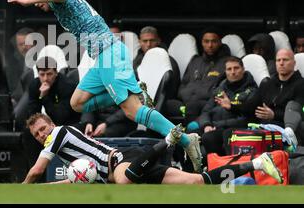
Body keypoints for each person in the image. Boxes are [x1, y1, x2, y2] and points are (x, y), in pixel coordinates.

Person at [8, 0, 203, 172]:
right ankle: (137, 92)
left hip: (110, 53)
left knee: (132, 111)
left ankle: (187, 140)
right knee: (77, 103)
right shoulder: (59, 2)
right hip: (101, 60)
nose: (34, 2)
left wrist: (27, 0)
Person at [22, 113, 283, 185]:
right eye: (36, 134)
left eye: (42, 129)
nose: (41, 135)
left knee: (122, 181)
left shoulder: (58, 133)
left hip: (123, 160)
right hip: (137, 166)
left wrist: (20, 191)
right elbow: (68, 183)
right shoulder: (69, 152)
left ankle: (166, 142)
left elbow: (36, 170)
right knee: (197, 183)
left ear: (51, 125)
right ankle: (259, 163)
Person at [190, 57, 258, 157]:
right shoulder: (220, 89)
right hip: (212, 126)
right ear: (225, 71)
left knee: (209, 138)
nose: (233, 72)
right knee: (185, 138)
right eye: (229, 69)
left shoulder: (252, 91)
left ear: (243, 69)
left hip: (232, 129)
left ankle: (216, 169)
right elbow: (205, 111)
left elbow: (247, 119)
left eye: (236, 68)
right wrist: (206, 125)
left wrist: (217, 125)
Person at [165, 27, 230, 123]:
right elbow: (184, 84)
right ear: (202, 43)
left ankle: (190, 136)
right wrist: (185, 95)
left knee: (192, 106)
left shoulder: (228, 62)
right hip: (186, 103)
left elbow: (226, 88)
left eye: (214, 41)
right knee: (165, 104)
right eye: (206, 41)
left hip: (209, 104)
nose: (210, 45)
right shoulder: (195, 60)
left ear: (220, 42)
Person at [250, 48, 304, 148]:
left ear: (294, 63)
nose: (281, 63)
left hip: (287, 129)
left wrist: (274, 115)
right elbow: (252, 105)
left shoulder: (301, 84)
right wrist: (231, 106)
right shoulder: (267, 83)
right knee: (229, 133)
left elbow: (298, 112)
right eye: (278, 60)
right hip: (263, 126)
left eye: (285, 60)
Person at [132, 26, 180, 93]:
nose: (148, 44)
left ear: (158, 41)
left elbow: (172, 90)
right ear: (140, 42)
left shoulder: (169, 62)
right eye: (145, 41)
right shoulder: (136, 60)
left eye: (152, 40)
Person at [6, 27, 35, 104]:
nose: (24, 47)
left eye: (26, 43)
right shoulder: (14, 64)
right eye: (20, 44)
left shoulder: (43, 61)